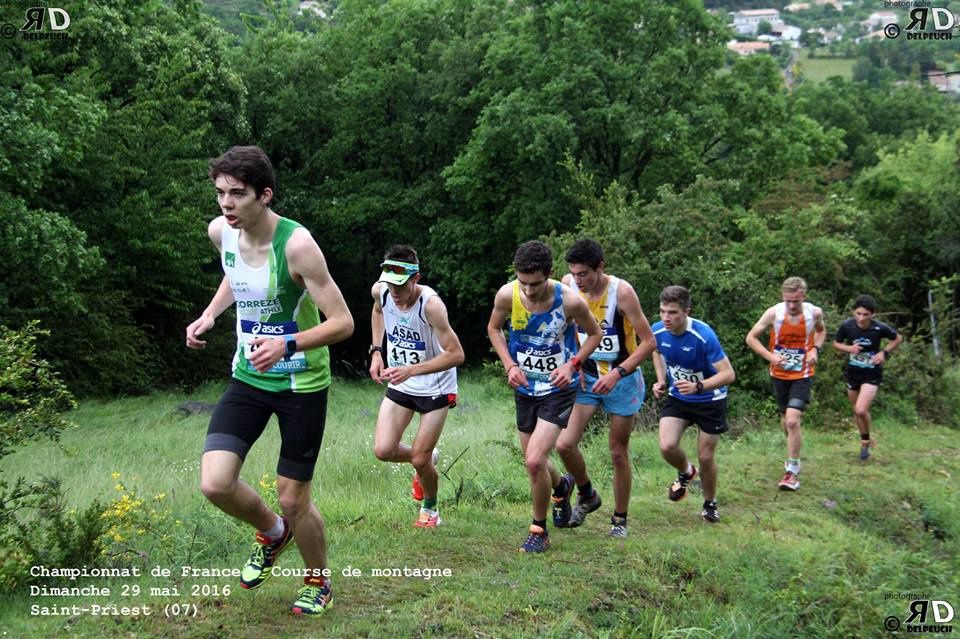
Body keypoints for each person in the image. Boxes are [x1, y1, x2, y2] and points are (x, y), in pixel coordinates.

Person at [186, 145, 353, 617]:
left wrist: (289, 343)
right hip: (248, 377)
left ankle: (318, 580)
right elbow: (235, 278)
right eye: (220, 193)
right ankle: (274, 533)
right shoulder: (222, 232)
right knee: (216, 483)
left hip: (300, 383)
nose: (226, 204)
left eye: (237, 194)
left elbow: (343, 323)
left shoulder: (297, 246)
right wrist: (209, 316)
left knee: (292, 496)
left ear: (265, 195)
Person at [487, 240, 601, 552]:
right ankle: (562, 486)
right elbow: (494, 330)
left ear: (549, 275)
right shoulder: (507, 294)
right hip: (525, 387)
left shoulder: (570, 301)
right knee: (534, 461)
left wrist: (573, 364)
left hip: (558, 388)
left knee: (535, 461)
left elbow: (595, 334)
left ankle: (539, 530)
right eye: (523, 282)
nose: (529, 291)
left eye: (535, 284)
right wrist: (509, 365)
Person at [554, 239, 655, 538]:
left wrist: (618, 373)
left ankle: (619, 519)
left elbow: (649, 342)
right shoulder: (568, 284)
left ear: (601, 267)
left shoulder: (621, 293)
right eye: (574, 273)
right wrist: (575, 362)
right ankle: (587, 494)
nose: (579, 280)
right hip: (586, 378)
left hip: (622, 381)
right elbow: (570, 327)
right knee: (564, 444)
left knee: (617, 451)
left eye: (584, 273)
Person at [369, 245, 465, 528]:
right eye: (390, 284)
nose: (394, 292)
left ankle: (431, 509)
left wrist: (411, 369)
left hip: (436, 386)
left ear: (416, 278)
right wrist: (376, 350)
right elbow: (378, 312)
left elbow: (456, 354)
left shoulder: (431, 305)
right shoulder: (381, 291)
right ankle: (428, 458)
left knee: (419, 459)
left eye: (401, 285)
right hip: (402, 382)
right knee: (383, 450)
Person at [651, 286, 735, 524]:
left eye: (673, 312)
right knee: (667, 446)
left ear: (687, 311)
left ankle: (710, 503)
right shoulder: (658, 330)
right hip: (679, 397)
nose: (666, 318)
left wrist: (700, 387)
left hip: (710, 400)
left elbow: (728, 374)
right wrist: (660, 380)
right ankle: (686, 472)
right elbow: (656, 352)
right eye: (662, 311)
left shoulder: (704, 335)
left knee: (706, 457)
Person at [745, 277, 826, 492]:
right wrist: (770, 356)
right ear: (783, 297)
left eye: (796, 302)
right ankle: (793, 452)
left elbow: (821, 332)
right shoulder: (774, 313)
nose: (792, 306)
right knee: (785, 421)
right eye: (788, 301)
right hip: (779, 373)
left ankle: (792, 471)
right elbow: (751, 338)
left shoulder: (814, 313)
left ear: (804, 297)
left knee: (792, 421)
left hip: (802, 373)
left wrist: (815, 350)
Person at [832, 295, 902, 460]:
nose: (861, 318)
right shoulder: (847, 325)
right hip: (853, 372)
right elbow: (836, 343)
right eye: (858, 313)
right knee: (858, 412)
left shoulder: (879, 328)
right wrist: (848, 348)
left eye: (865, 315)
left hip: (872, 373)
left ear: (873, 314)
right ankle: (865, 442)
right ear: (853, 312)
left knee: (860, 409)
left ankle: (866, 440)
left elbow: (898, 338)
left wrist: (884, 352)